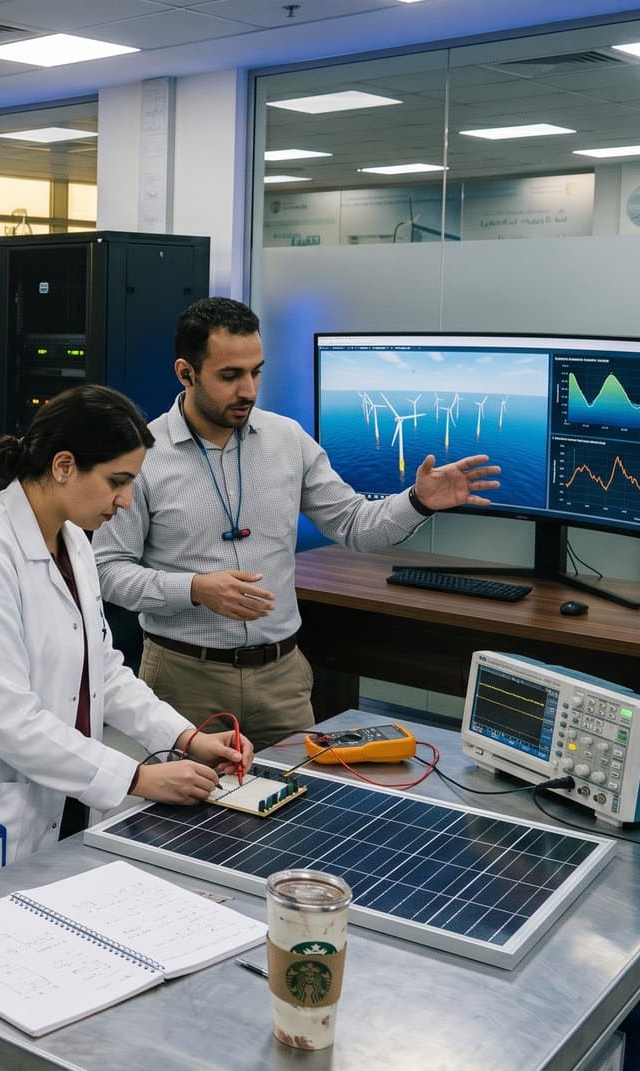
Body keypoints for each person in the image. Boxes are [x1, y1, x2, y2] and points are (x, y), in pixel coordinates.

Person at [0, 385, 251, 922]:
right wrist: (137, 779)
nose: (125, 501)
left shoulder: (74, 543)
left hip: (53, 798)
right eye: (117, 481)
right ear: (65, 466)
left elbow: (103, 670)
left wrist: (183, 738)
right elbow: (8, 719)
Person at [95, 297, 498, 749]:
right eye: (230, 376)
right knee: (190, 797)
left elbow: (354, 524)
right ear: (185, 373)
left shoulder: (288, 440)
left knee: (300, 793)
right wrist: (194, 589)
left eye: (256, 372)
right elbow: (107, 570)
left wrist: (418, 501)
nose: (248, 390)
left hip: (281, 681)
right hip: (183, 682)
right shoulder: (144, 456)